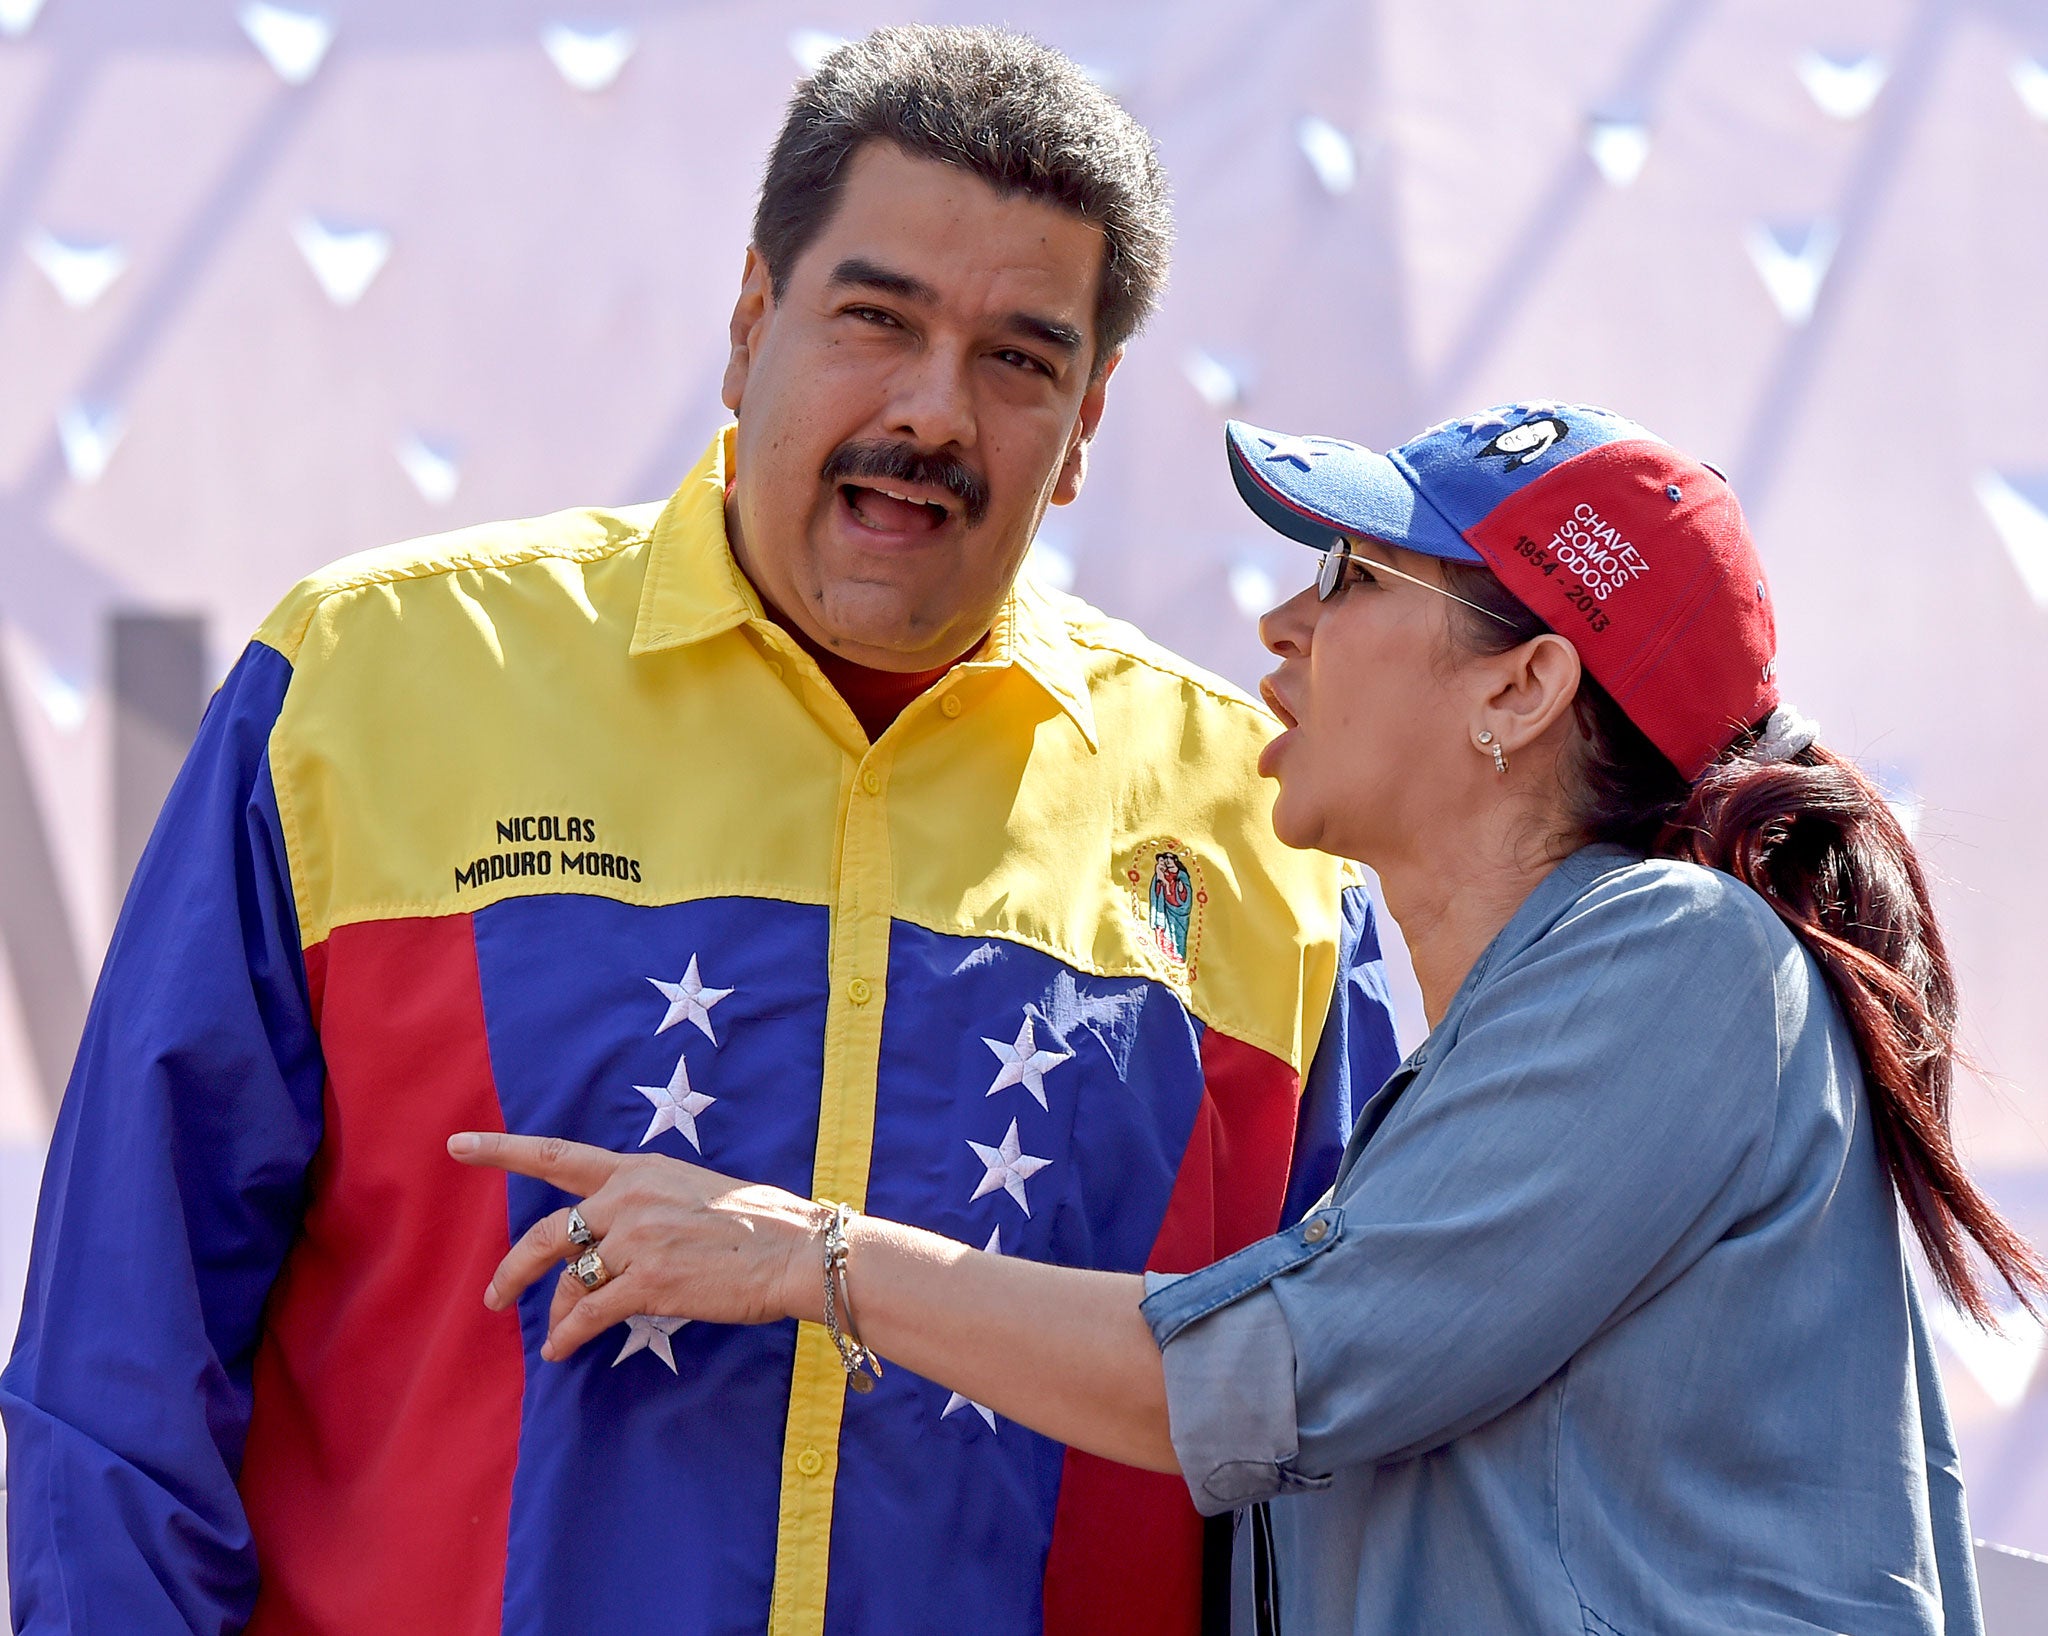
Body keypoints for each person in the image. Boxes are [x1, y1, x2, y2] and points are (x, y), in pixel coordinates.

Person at [1, 27, 1400, 1636]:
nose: (933, 412)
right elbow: (121, 1356)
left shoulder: (1268, 828)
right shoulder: (363, 681)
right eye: (876, 320)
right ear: (750, 323)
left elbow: (1337, 1436)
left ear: (1087, 426)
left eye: (1022, 359)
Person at [454, 400, 2048, 1635]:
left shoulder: (1681, 953)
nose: (1283, 627)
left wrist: (808, 1255)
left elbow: (1284, 1369)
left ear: (1522, 692)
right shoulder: (1551, 1020)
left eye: (1352, 578)